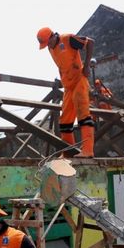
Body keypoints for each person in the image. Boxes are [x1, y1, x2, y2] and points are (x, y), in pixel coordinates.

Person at [36, 27, 96, 157]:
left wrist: (86, 66)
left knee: (83, 114)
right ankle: (68, 152)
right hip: (68, 86)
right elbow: (61, 65)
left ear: (53, 36)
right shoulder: (50, 49)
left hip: (79, 80)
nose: (48, 46)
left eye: (48, 43)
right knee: (64, 121)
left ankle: (88, 150)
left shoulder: (67, 39)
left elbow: (90, 42)